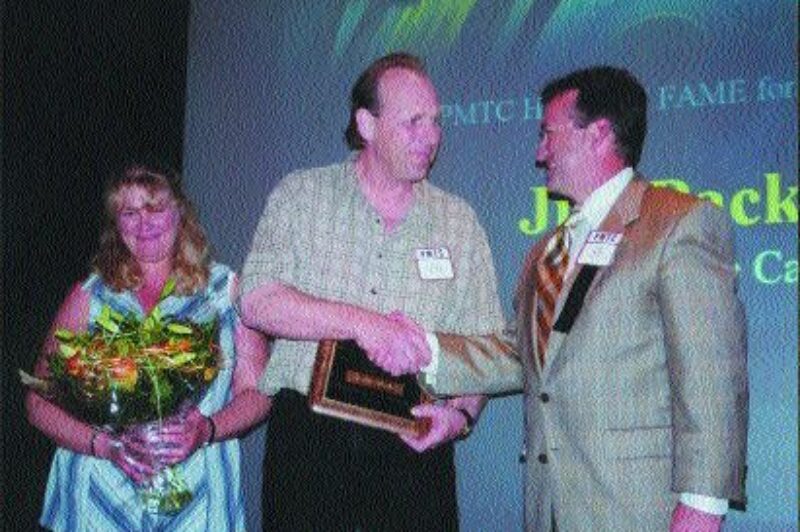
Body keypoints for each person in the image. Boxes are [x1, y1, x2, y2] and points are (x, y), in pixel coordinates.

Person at [422, 66, 748, 531]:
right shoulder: (547, 251)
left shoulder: (679, 223)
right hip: (550, 507)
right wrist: (424, 350)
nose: (539, 153)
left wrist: (703, 505)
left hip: (639, 509)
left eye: (548, 134)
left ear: (598, 135)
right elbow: (525, 356)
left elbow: (711, 375)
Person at [238, 52, 505, 531]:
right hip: (311, 440)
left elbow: (486, 344)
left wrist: (460, 416)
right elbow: (258, 299)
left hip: (413, 442)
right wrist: (365, 324)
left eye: (436, 122)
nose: (431, 137)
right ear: (367, 124)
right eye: (413, 122)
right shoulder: (301, 197)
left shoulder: (459, 222)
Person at [25, 164, 271, 531]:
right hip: (97, 495)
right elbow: (38, 401)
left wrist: (206, 429)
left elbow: (258, 394)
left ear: (180, 212)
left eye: (155, 208)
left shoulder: (225, 290)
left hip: (198, 495)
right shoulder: (89, 296)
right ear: (116, 224)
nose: (145, 223)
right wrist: (105, 446)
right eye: (130, 212)